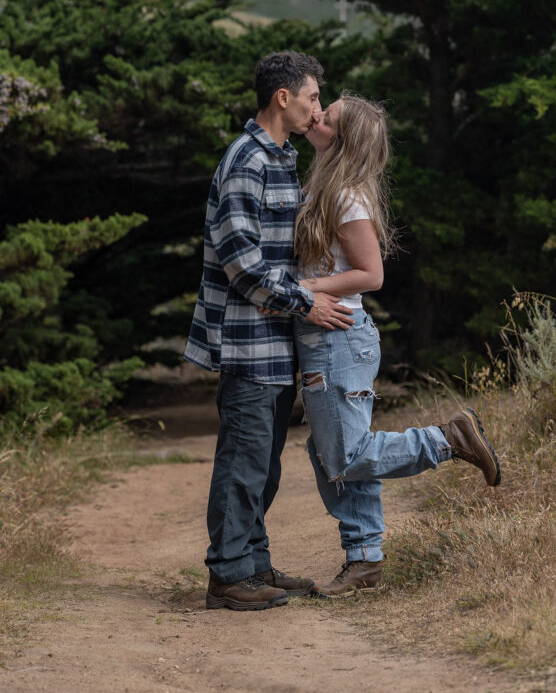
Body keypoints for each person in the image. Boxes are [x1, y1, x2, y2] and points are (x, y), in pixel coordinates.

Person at [292, 94, 501, 597]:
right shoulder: (326, 184)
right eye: (322, 106)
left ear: (346, 140)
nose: (317, 114)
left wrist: (303, 290)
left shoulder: (346, 196)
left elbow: (372, 274)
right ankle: (364, 561)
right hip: (331, 339)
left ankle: (448, 439)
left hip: (336, 338)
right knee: (333, 450)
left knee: (342, 454)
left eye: (330, 115)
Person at [184, 51, 354, 612]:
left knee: (266, 460)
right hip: (248, 342)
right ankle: (228, 576)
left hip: (277, 343)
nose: (318, 107)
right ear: (284, 98)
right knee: (245, 457)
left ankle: (253, 562)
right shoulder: (246, 161)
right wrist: (306, 302)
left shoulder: (280, 158)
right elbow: (241, 263)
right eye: (312, 97)